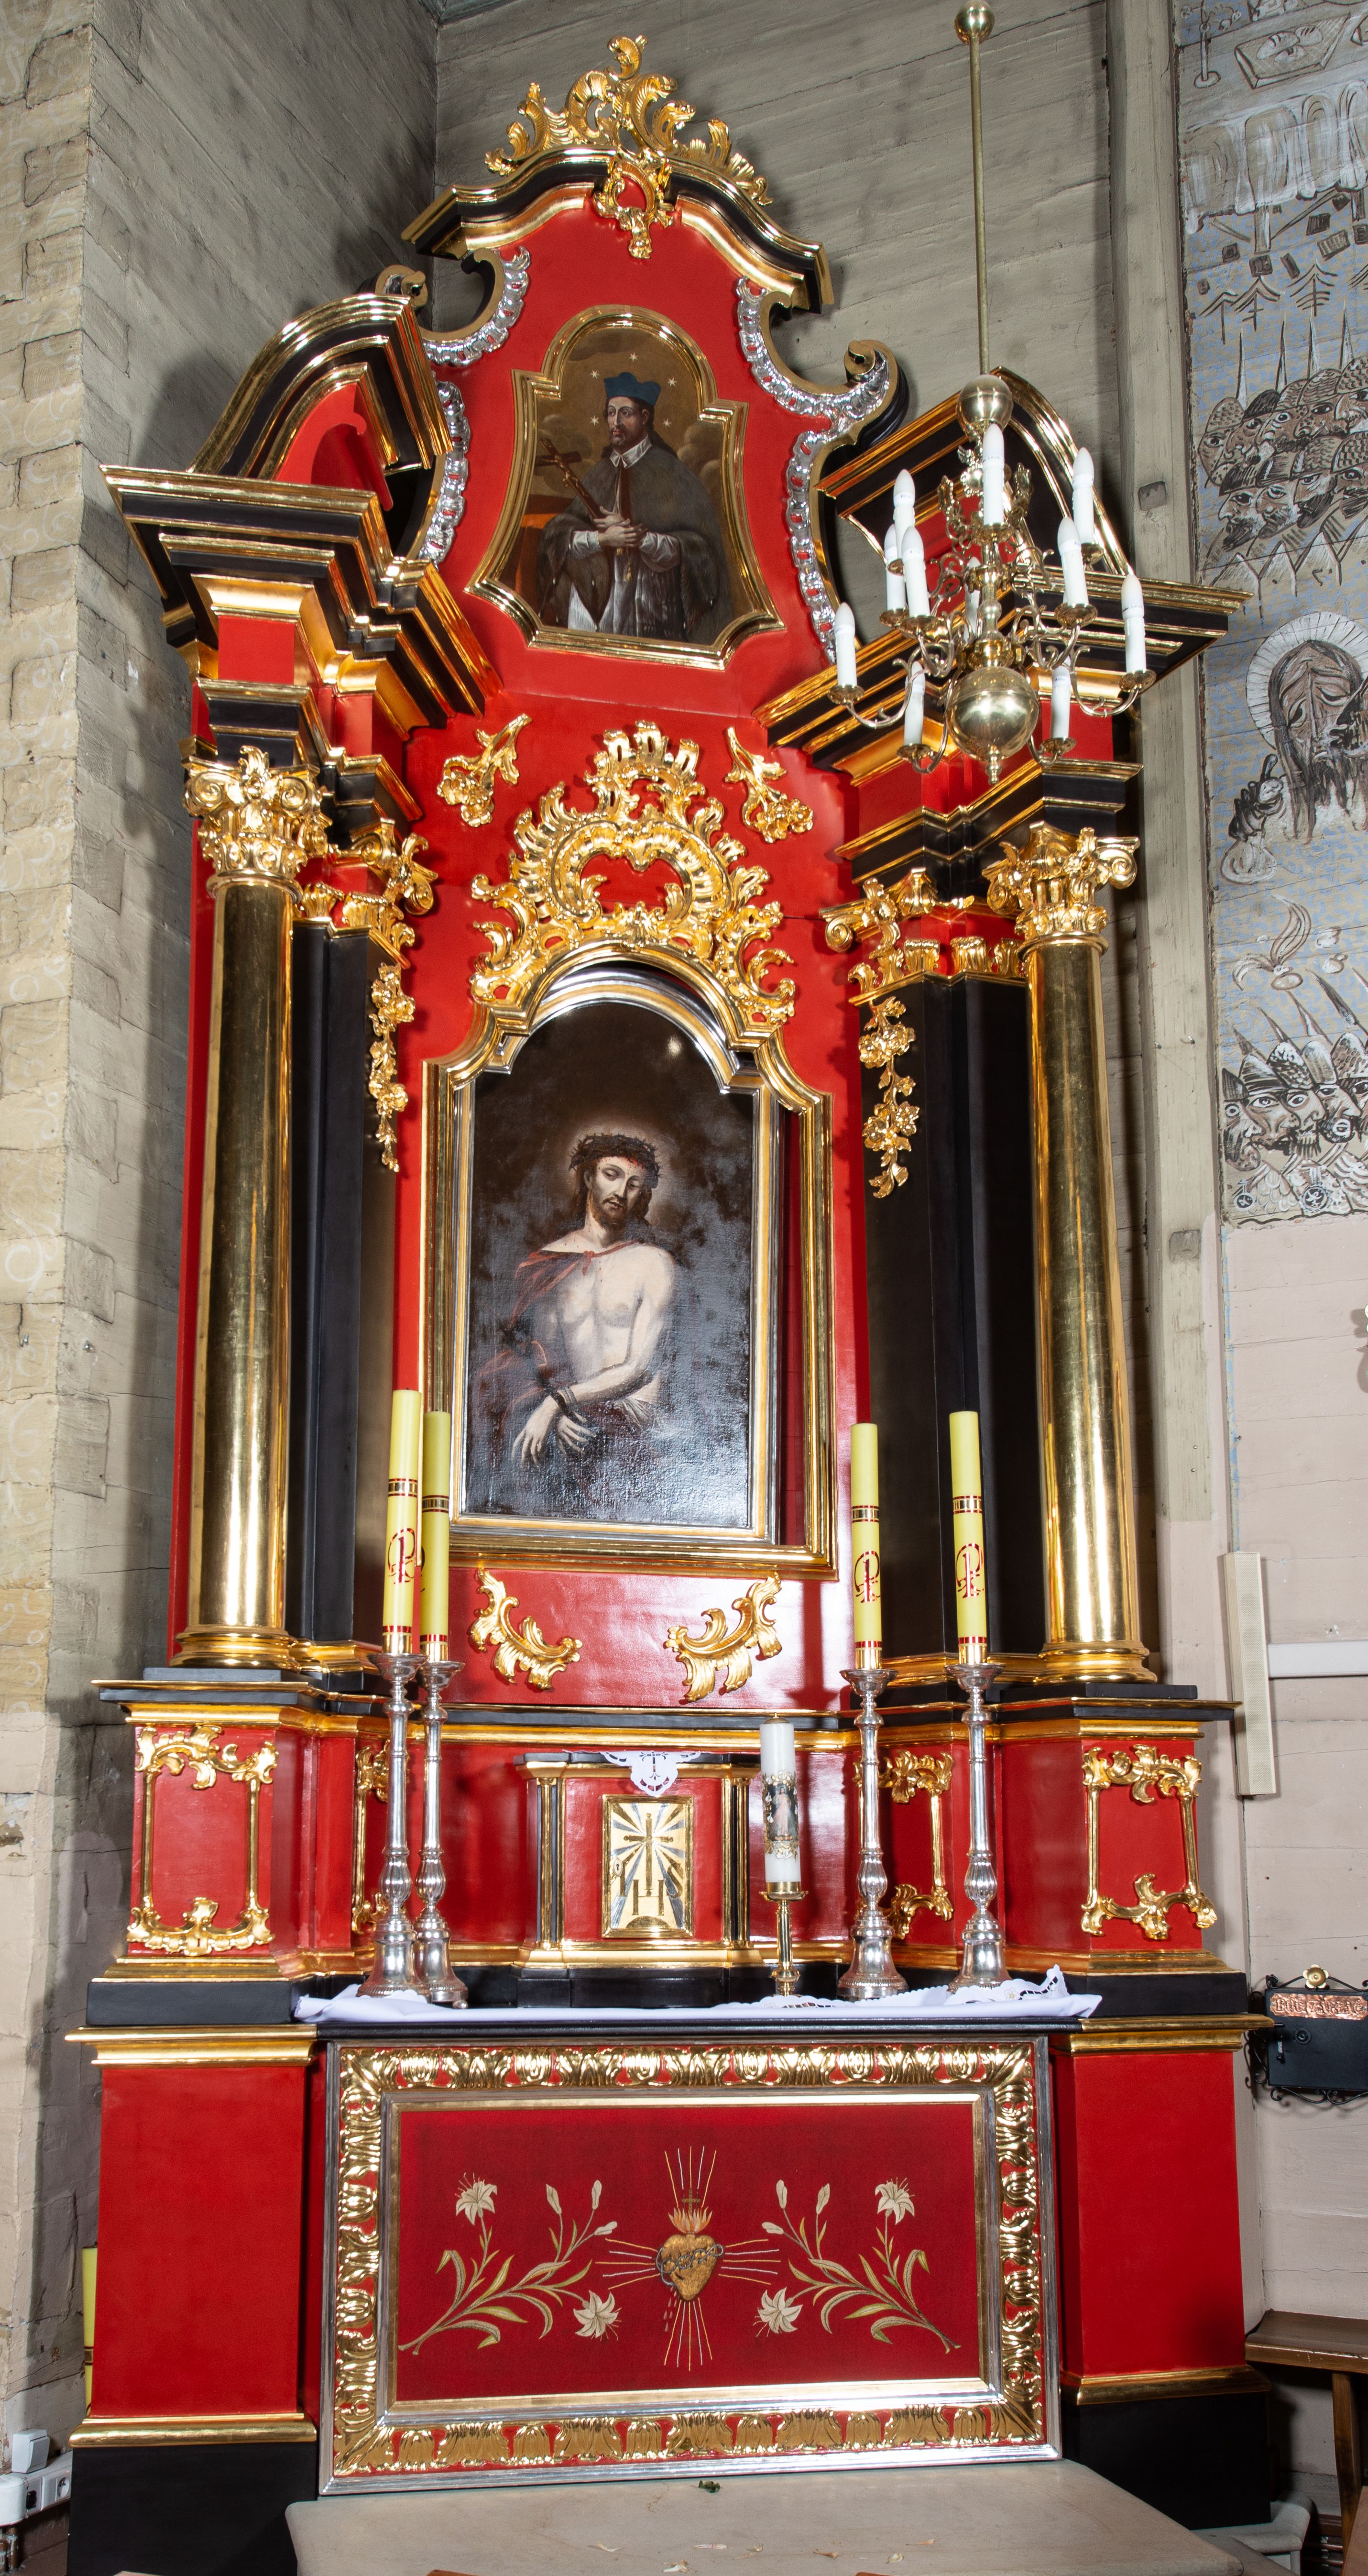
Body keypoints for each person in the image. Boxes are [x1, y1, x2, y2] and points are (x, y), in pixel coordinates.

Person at [480, 1133, 678, 1518]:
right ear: (589, 1178)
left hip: (634, 1422)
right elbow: (542, 1359)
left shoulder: (655, 1263)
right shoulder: (551, 1264)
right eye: (611, 1175)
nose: (620, 1191)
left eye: (633, 1184)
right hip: (574, 1416)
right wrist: (553, 1409)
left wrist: (557, 1403)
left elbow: (639, 1369)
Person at [536, 372, 733, 644]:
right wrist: (602, 539)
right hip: (597, 610)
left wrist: (636, 537)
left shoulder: (671, 473)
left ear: (645, 418)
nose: (615, 422)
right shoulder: (600, 474)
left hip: (650, 607)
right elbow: (560, 539)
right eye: (611, 413)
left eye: (625, 413)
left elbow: (698, 550)